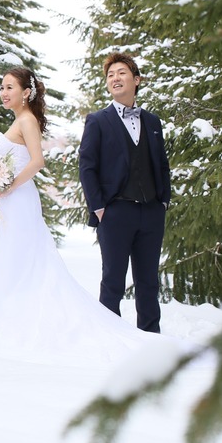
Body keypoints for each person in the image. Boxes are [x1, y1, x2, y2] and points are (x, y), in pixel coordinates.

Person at [0, 66, 152, 357]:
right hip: (11, 202)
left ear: (26, 92)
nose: (3, 93)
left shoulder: (27, 120)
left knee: (28, 259)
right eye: (2, 87)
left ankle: (27, 318)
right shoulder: (19, 120)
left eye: (9, 87)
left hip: (21, 199)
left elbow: (37, 162)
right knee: (13, 256)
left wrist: (8, 185)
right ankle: (13, 314)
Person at [78, 52, 172, 334]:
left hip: (151, 211)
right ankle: (110, 339)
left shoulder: (153, 122)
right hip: (115, 211)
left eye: (122, 73)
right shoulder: (98, 120)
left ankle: (151, 339)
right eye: (110, 75)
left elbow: (162, 164)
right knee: (113, 282)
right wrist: (99, 207)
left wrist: (163, 200)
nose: (115, 78)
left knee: (148, 282)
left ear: (136, 80)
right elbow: (87, 166)